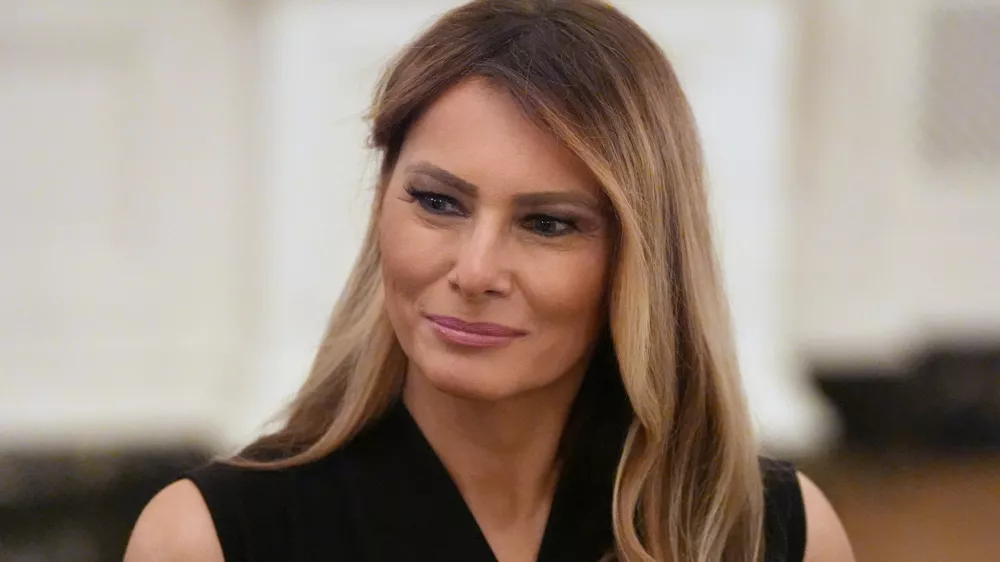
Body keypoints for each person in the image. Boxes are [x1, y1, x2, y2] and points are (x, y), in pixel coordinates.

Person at [125, 1, 854, 561]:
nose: (475, 272)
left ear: (642, 257)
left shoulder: (772, 534)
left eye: (548, 224)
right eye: (439, 203)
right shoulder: (208, 539)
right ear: (382, 203)